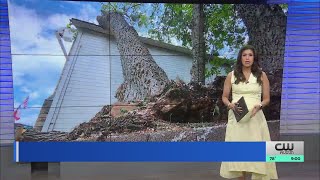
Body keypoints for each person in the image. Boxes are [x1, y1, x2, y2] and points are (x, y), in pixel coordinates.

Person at [220, 45, 278, 180]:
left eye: (250, 55)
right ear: (240, 57)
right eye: (244, 55)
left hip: (255, 117)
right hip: (237, 117)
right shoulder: (231, 75)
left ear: (254, 58)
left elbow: (267, 99)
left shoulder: (261, 75)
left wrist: (260, 106)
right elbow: (224, 97)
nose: (247, 58)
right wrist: (230, 104)